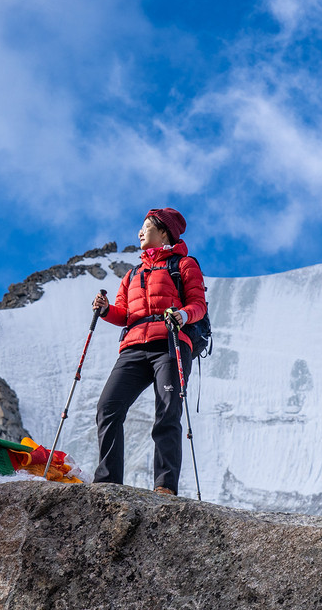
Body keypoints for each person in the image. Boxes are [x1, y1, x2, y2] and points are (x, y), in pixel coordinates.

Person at [91, 207, 207, 495]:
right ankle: (107, 481)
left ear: (164, 231)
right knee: (108, 406)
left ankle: (165, 486)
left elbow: (198, 305)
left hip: (171, 343)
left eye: (146, 226)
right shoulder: (132, 274)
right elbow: (125, 314)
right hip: (133, 347)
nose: (140, 232)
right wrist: (106, 311)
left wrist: (182, 314)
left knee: (168, 410)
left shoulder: (184, 265)